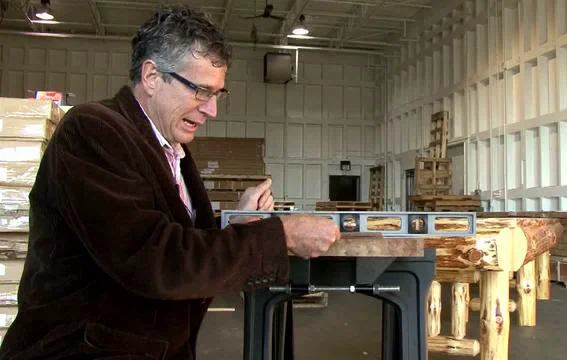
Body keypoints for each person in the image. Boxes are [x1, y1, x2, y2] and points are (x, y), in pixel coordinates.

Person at [0, 5, 339, 359]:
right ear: (151, 76)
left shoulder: (170, 147)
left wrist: (236, 220)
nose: (212, 110)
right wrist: (281, 235)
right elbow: (154, 258)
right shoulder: (92, 131)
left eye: (217, 94)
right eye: (201, 91)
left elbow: (181, 241)